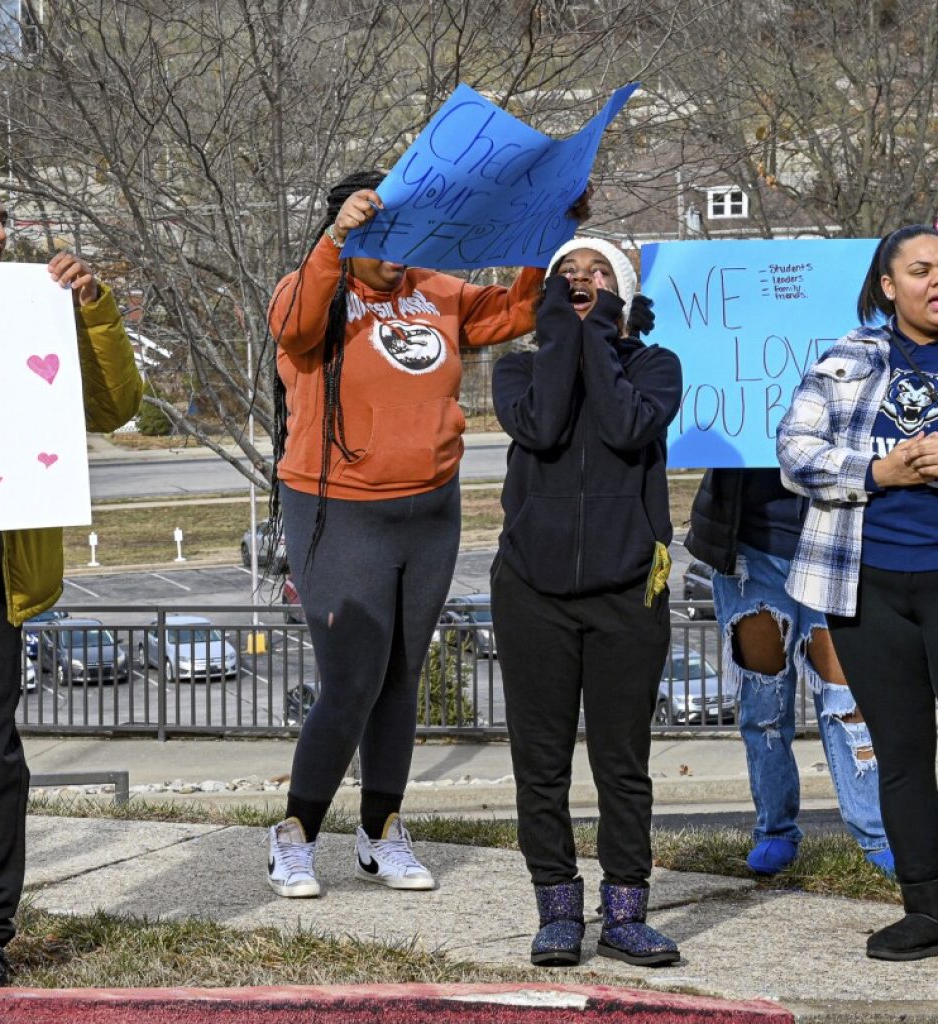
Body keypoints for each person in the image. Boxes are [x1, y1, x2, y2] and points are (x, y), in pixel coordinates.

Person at [265, 170, 553, 898]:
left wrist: (547, 225)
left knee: (400, 676)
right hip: (338, 509)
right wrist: (334, 240)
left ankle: (382, 830)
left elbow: (521, 309)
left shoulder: (440, 292)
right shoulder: (314, 292)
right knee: (352, 679)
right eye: (380, 236)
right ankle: (295, 834)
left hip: (428, 513)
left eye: (407, 236)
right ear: (348, 235)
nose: (397, 253)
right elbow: (291, 327)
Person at [0, 172, 142, 985]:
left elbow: (114, 407)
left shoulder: (30, 307)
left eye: (5, 217)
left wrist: (94, 313)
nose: (2, 230)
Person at [489, 237, 682, 967]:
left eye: (598, 273)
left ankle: (626, 911)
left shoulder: (655, 367)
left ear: (625, 295)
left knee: (620, 761)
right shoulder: (518, 371)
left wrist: (600, 329)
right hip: (531, 593)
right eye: (567, 275)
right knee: (541, 762)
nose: (581, 282)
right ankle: (558, 910)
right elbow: (539, 426)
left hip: (626, 592)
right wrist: (565, 335)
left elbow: (627, 424)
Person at [777, 224, 938, 961]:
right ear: (887, 284)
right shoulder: (848, 358)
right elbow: (796, 452)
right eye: (921, 270)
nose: (935, 282)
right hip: (867, 588)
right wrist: (881, 472)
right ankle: (926, 908)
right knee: (902, 753)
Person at [685, 470, 892, 876]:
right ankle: (774, 829)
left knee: (847, 700)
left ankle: (877, 834)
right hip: (751, 542)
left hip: (837, 536)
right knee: (764, 701)